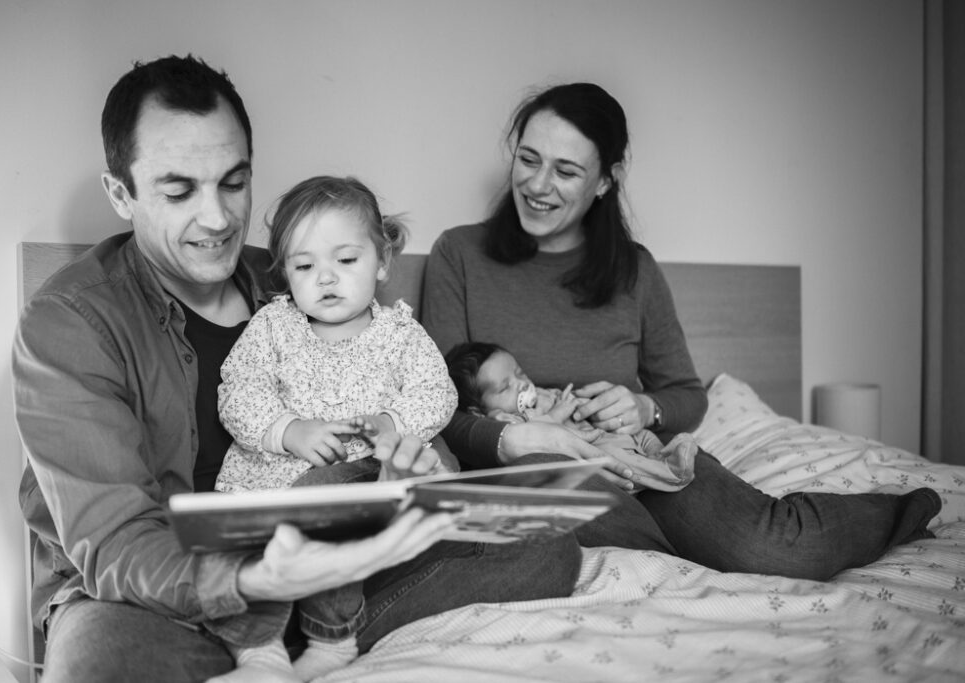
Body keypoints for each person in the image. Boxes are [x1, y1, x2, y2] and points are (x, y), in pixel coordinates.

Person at [13, 55, 580, 683]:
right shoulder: (69, 322)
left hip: (334, 550)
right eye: (179, 191)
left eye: (233, 182)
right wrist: (258, 577)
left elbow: (417, 392)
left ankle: (323, 633)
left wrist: (499, 437)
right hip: (169, 583)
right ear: (122, 194)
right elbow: (117, 543)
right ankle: (265, 635)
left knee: (545, 544)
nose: (218, 218)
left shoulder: (299, 271)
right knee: (101, 662)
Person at [421, 81, 941, 581]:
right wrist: (517, 438)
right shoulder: (459, 256)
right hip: (539, 473)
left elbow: (688, 395)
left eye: (566, 171)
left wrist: (645, 407)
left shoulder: (634, 271)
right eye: (528, 160)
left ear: (604, 180)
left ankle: (913, 507)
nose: (537, 185)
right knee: (554, 515)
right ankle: (657, 543)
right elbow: (436, 411)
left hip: (640, 457)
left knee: (779, 549)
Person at [214, 175, 458, 680]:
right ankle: (259, 653)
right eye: (305, 266)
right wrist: (290, 429)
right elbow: (237, 391)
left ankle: (332, 638)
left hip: (353, 484)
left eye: (346, 261)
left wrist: (390, 423)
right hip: (268, 482)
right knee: (238, 540)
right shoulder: (272, 328)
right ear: (285, 274)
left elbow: (439, 393)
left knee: (337, 507)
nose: (326, 278)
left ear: (382, 261)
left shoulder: (400, 335)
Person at [444, 341, 696, 492]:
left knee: (645, 437)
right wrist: (557, 412)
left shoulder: (540, 394)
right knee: (620, 464)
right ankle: (669, 473)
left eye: (520, 373)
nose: (521, 384)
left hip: (610, 432)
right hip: (594, 450)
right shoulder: (505, 420)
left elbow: (687, 390)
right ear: (478, 412)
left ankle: (660, 454)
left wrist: (590, 404)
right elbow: (540, 432)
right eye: (504, 387)